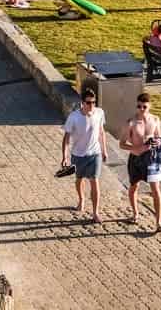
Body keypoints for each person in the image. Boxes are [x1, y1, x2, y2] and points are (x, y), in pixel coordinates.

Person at [60, 88, 107, 222]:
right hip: (78, 155)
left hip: (95, 154)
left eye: (93, 102)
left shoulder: (99, 113)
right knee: (79, 179)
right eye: (88, 102)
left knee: (94, 180)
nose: (91, 105)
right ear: (82, 103)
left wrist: (104, 150)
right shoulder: (74, 117)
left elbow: (101, 132)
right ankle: (81, 200)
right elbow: (66, 138)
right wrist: (65, 156)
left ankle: (95, 212)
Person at [120, 93, 161, 231]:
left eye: (144, 107)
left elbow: (160, 138)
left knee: (155, 190)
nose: (141, 109)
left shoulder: (155, 120)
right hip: (135, 159)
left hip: (151, 159)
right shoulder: (131, 122)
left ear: (149, 106)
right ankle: (135, 214)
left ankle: (158, 223)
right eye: (138, 106)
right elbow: (121, 144)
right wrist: (136, 148)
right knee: (134, 187)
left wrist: (157, 141)